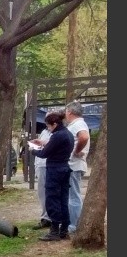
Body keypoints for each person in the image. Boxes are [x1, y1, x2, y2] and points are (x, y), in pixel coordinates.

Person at [30, 112, 74, 241]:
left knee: (52, 199)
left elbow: (45, 153)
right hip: (65, 168)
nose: (48, 129)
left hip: (55, 170)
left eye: (48, 126)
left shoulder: (57, 135)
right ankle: (64, 230)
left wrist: (33, 150)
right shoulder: (68, 134)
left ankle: (54, 230)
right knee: (63, 200)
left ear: (54, 124)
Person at [64, 101, 90, 233]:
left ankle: (74, 225)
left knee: (73, 196)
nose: (65, 114)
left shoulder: (78, 124)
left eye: (66, 112)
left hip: (74, 165)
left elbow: (84, 137)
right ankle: (71, 222)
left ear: (70, 112)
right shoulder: (76, 124)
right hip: (73, 165)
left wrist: (76, 151)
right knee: (71, 195)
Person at [30, 125, 54, 229]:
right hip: (40, 164)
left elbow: (50, 148)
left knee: (48, 193)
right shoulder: (44, 131)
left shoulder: (57, 133)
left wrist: (35, 150)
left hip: (47, 165)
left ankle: (48, 218)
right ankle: (46, 216)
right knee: (42, 193)